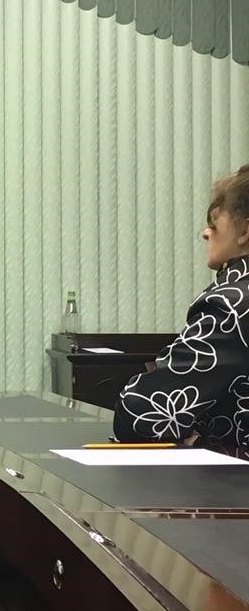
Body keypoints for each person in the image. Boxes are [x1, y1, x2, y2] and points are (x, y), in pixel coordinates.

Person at [114, 164, 249, 450]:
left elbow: (141, 414)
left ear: (245, 231)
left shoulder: (232, 305)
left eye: (214, 223)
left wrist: (201, 441)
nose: (205, 233)